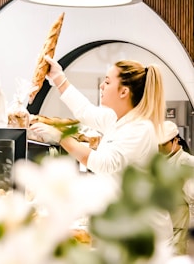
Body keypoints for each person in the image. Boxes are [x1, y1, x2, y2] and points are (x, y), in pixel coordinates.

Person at [30, 55, 173, 246]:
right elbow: (85, 111)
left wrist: (60, 136)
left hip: (146, 233)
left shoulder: (141, 128)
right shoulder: (116, 119)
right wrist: (58, 78)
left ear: (123, 91)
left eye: (107, 81)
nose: (101, 86)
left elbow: (103, 163)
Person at [159, 120, 194, 255]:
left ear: (175, 141)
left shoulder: (187, 163)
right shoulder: (163, 162)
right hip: (164, 230)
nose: (159, 148)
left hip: (179, 231)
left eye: (163, 144)